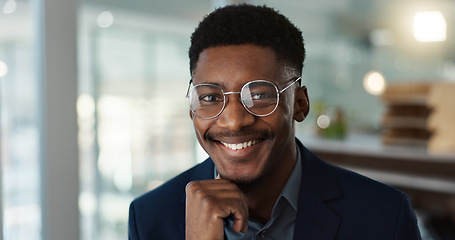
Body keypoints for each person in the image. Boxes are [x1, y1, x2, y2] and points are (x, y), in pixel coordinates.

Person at [128, 4, 421, 240]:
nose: (233, 122)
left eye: (259, 95)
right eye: (210, 98)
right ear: (193, 109)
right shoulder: (151, 218)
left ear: (300, 104)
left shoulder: (384, 216)